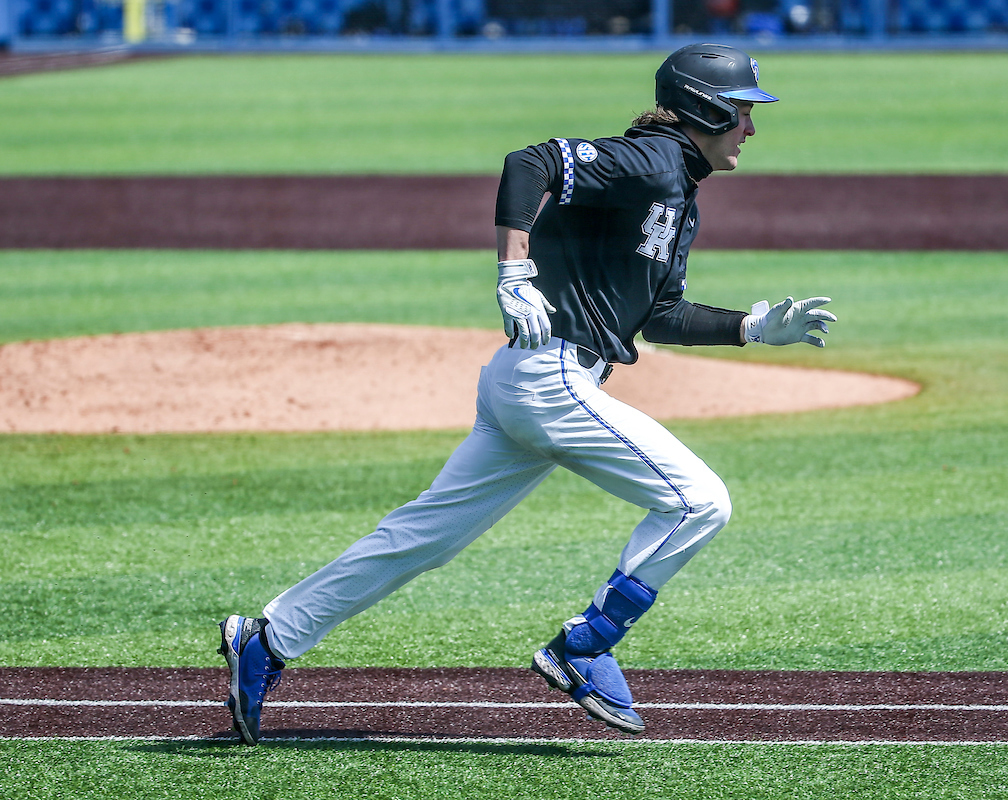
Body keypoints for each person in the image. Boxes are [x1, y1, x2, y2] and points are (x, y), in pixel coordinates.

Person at [218, 42, 836, 745]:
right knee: (700, 501)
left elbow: (660, 313)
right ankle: (585, 646)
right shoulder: (651, 159)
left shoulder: (677, 191)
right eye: (745, 113)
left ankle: (268, 639)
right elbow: (530, 162)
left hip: (528, 382)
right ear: (708, 107)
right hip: (550, 380)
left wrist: (752, 327)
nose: (752, 130)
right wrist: (514, 270)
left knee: (419, 539)